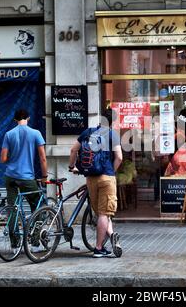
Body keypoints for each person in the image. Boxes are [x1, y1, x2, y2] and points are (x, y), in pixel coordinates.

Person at [68, 108, 123, 258]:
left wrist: (71, 167)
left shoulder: (88, 132)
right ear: (113, 122)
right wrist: (111, 171)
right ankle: (98, 248)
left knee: (100, 213)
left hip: (90, 177)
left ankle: (110, 236)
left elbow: (73, 150)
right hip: (106, 177)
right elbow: (119, 157)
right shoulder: (113, 134)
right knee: (104, 214)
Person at [0, 109, 48, 252]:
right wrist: (44, 177)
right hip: (27, 178)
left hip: (10, 177)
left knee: (13, 209)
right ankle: (34, 244)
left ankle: (15, 246)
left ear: (15, 120)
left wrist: (13, 158)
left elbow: (3, 159)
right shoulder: (35, 133)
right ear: (28, 118)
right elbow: (43, 158)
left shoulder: (8, 134)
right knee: (40, 207)